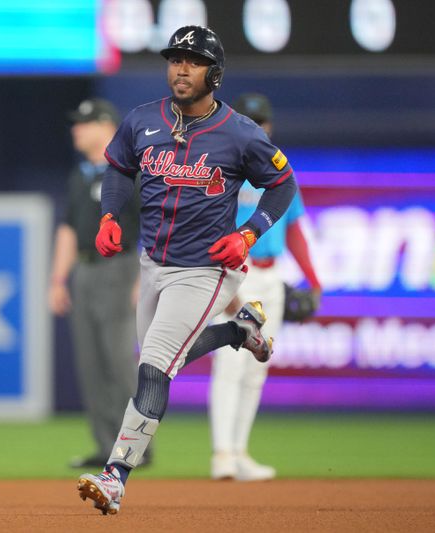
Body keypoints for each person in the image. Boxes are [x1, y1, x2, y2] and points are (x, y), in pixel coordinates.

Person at [76, 25, 297, 515]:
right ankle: (240, 331)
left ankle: (116, 476)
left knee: (153, 366)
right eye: (175, 58)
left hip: (207, 269)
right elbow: (117, 168)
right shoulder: (141, 120)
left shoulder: (240, 132)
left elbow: (283, 183)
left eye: (192, 61)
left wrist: (248, 232)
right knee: (159, 361)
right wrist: (110, 214)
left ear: (213, 74)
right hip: (153, 263)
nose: (181, 67)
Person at [209, 93, 322, 481]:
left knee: (257, 366)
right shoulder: (225, 167)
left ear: (270, 126)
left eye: (262, 121)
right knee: (230, 363)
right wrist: (223, 279)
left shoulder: (280, 173)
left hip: (272, 276)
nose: (258, 127)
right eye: (250, 120)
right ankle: (222, 453)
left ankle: (239, 452)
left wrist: (314, 278)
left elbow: (293, 230)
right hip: (236, 270)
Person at [48, 98, 143, 468]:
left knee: (119, 362)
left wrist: (143, 278)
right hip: (84, 271)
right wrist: (58, 279)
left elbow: (152, 224)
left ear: (106, 126)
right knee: (90, 364)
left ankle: (136, 446)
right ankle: (107, 446)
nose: (76, 129)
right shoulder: (81, 174)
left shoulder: (130, 170)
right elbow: (69, 228)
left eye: (84, 123)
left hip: (120, 267)